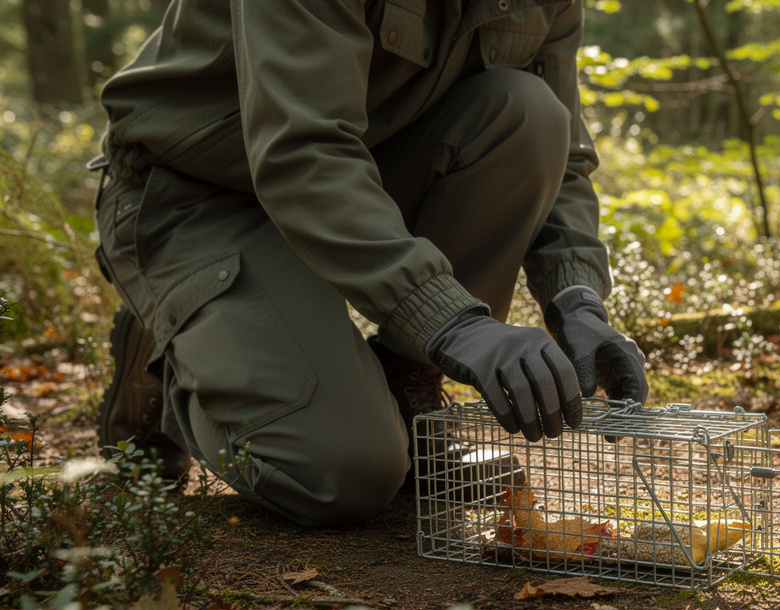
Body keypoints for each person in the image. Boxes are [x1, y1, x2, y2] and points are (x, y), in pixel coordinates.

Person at [90, 0, 648, 528]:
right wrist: (456, 324)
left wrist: (577, 300)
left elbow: (564, 154)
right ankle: (172, 340)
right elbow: (302, 154)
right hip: (193, 193)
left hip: (359, 172)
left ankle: (409, 389)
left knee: (526, 111)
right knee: (341, 473)